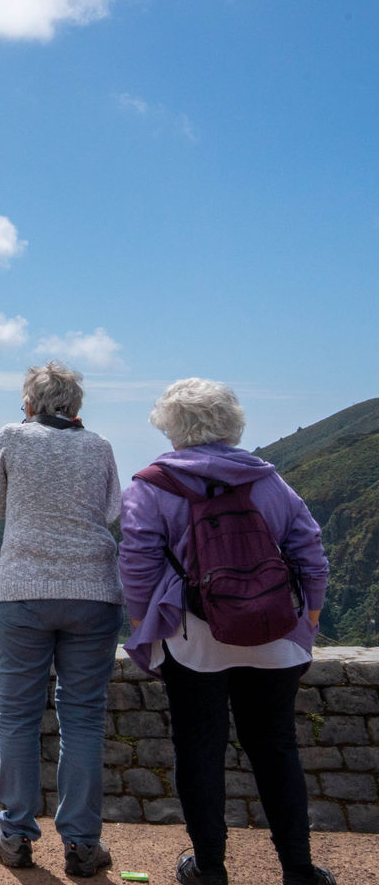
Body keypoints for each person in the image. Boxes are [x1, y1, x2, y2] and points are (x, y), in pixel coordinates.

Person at [121, 379, 334, 885]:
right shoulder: (268, 481)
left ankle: (209, 870)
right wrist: (311, 618)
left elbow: (136, 564)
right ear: (232, 423)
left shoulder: (153, 485)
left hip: (194, 639)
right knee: (276, 748)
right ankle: (299, 870)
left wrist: (141, 625)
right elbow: (311, 551)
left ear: (172, 427)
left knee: (199, 751)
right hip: (274, 635)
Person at [0, 361, 123, 878]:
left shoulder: (13, 437)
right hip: (94, 593)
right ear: (76, 406)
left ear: (30, 404)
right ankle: (83, 845)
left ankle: (14, 835)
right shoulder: (99, 445)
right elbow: (110, 513)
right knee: (81, 716)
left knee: (16, 715)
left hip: (22, 592)